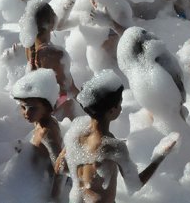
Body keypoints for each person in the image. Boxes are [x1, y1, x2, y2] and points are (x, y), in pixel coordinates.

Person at [55, 70, 179, 203]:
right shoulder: (114, 147)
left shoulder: (76, 133)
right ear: (112, 110)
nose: (121, 108)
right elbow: (135, 185)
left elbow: (59, 168)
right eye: (120, 104)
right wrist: (160, 156)